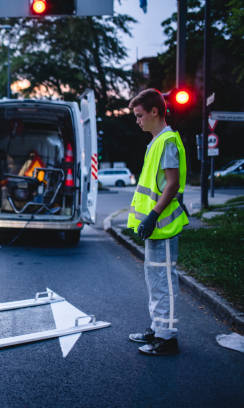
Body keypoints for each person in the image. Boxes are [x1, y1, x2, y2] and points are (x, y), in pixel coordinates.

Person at [127, 89, 188, 356]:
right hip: (156, 226)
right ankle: (158, 327)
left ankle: (167, 338)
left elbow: (172, 184)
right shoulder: (156, 142)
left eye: (140, 115)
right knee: (155, 280)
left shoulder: (168, 142)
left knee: (163, 281)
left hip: (163, 224)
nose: (137, 121)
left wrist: (152, 216)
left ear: (155, 111)